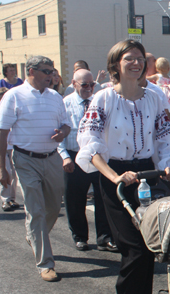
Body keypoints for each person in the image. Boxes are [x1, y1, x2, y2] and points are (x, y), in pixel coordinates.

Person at [76, 39, 170, 294]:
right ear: (116, 65)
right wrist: (114, 176)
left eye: (138, 59)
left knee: (153, 245)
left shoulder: (155, 97)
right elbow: (91, 145)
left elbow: (164, 134)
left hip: (148, 171)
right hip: (117, 177)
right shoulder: (104, 100)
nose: (135, 63)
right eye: (128, 59)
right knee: (135, 249)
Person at [0, 55, 71, 282]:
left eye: (52, 71)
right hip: (25, 160)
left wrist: (63, 133)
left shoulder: (55, 97)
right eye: (46, 71)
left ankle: (34, 234)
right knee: (35, 209)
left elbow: (66, 124)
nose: (51, 75)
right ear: (31, 71)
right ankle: (45, 263)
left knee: (53, 205)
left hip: (52, 158)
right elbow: (2, 132)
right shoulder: (13, 96)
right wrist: (1, 167)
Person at [58, 69, 116, 252]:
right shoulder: (65, 104)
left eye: (92, 84)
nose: (89, 88)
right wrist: (65, 157)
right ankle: (80, 236)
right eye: (84, 85)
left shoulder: (98, 102)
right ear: (74, 84)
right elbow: (56, 135)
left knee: (103, 198)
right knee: (74, 200)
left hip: (97, 157)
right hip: (73, 156)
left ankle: (104, 238)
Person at [0, 88, 19, 212]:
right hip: (2, 149)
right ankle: (5, 200)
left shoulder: (14, 112)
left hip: (14, 147)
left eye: (3, 98)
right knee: (5, 173)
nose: (1, 100)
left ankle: (12, 198)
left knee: (15, 174)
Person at [147, 57, 170, 133]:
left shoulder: (157, 76)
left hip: (162, 95)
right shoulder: (169, 77)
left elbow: (147, 79)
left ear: (156, 68)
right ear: (168, 68)